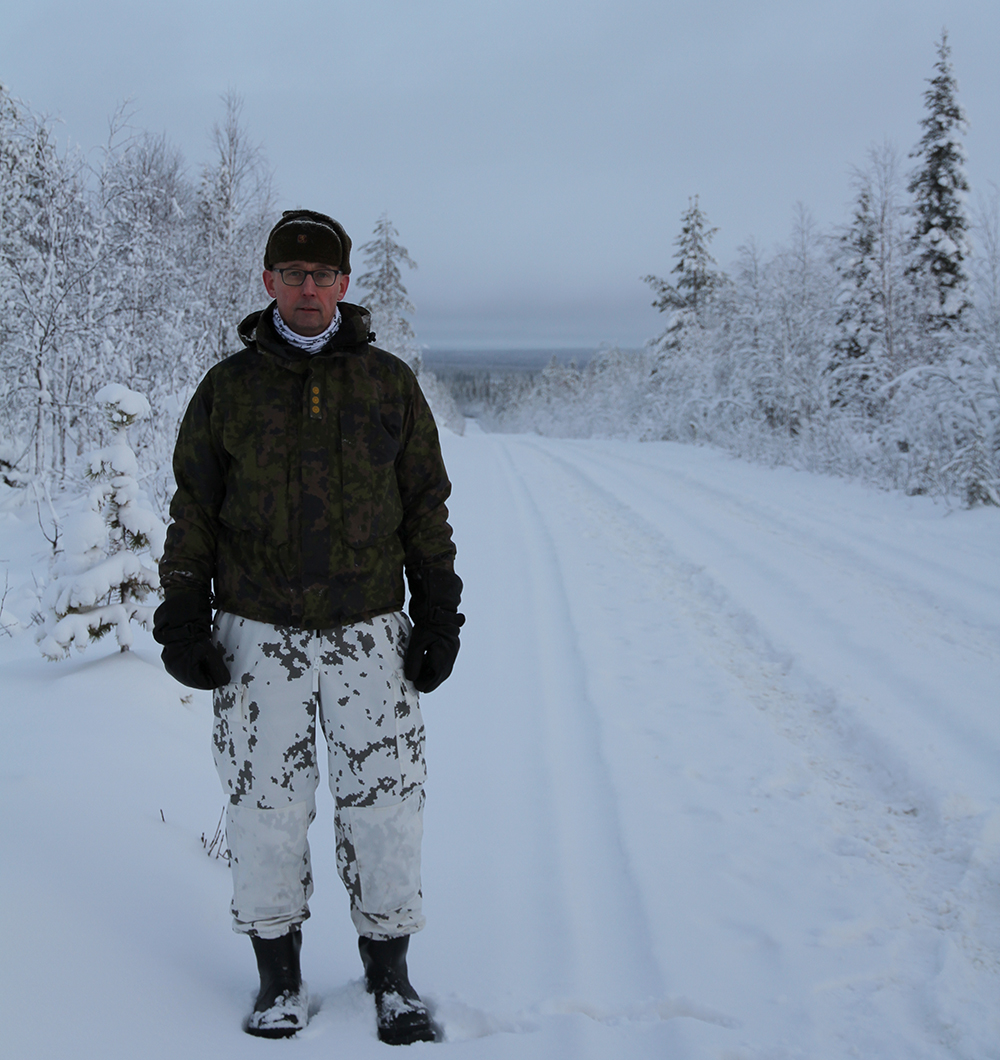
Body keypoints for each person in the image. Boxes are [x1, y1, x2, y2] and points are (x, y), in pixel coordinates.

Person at [153, 210, 463, 1044]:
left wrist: (437, 610)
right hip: (258, 635)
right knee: (263, 805)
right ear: (267, 283)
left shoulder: (388, 383)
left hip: (371, 634)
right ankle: (277, 979)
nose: (307, 288)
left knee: (387, 803)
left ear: (344, 285)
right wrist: (182, 614)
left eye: (322, 275)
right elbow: (194, 511)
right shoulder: (229, 388)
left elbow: (425, 508)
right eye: (291, 274)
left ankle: (390, 979)